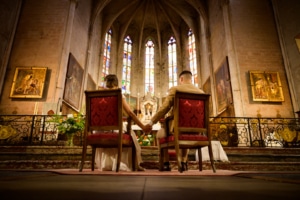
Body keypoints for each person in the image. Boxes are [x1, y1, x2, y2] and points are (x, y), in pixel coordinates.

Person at [144, 70, 205, 171]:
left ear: (181, 79)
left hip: (176, 129)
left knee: (160, 134)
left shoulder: (176, 89)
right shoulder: (201, 92)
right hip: (197, 130)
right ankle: (184, 162)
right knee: (186, 131)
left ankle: (166, 163)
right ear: (191, 78)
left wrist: (151, 122)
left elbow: (164, 108)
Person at [95, 74, 150, 171]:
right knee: (132, 137)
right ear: (117, 84)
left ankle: (109, 163)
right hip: (115, 130)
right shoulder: (119, 95)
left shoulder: (97, 96)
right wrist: (143, 127)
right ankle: (134, 165)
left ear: (105, 83)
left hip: (99, 131)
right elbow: (130, 114)